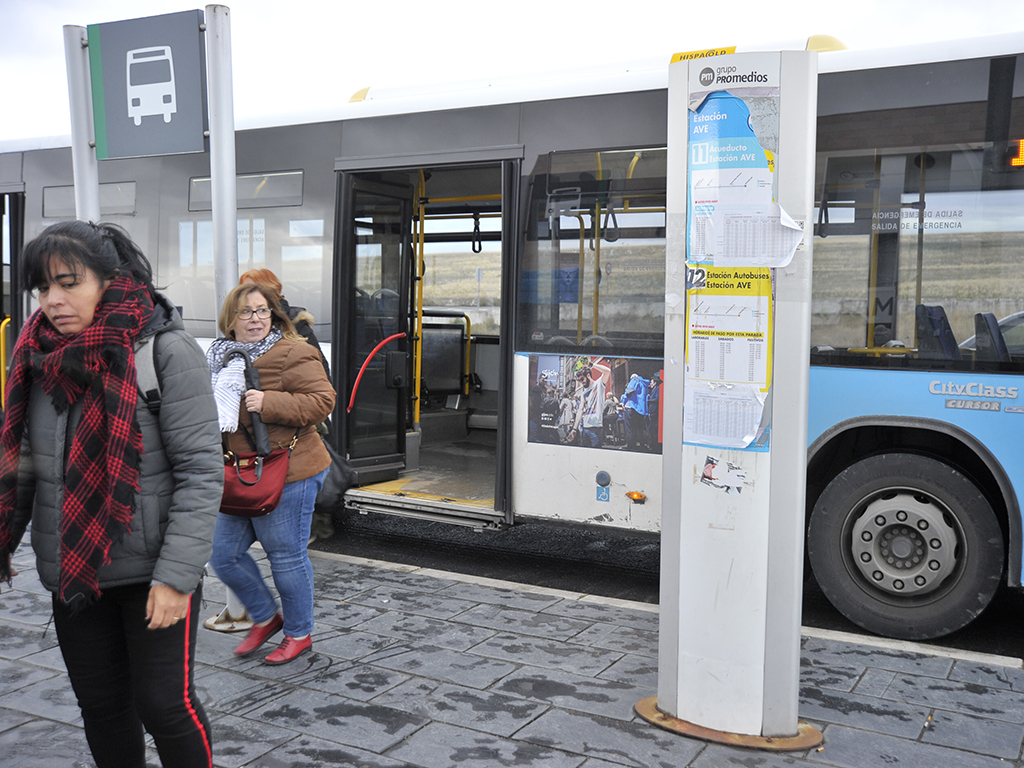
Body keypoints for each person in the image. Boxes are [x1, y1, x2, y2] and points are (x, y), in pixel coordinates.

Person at [0, 221, 222, 768]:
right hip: (74, 573)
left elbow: (201, 472)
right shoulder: (35, 356)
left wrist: (176, 578)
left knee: (164, 706)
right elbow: (23, 466)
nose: (53, 300)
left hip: (152, 572)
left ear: (109, 279)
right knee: (101, 708)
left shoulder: (166, 352)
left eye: (69, 282)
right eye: (42, 288)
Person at [207, 282, 335, 664]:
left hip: (289, 469)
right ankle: (266, 616)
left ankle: (299, 633)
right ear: (230, 318)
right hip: (243, 473)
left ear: (274, 314)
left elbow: (323, 401)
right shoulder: (220, 356)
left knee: (285, 556)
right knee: (222, 554)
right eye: (245, 312)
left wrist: (269, 402)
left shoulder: (294, 351)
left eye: (263, 311)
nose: (255, 319)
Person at [238, 268, 329, 378]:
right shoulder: (239, 320)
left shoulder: (295, 322)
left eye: (253, 289)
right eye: (243, 290)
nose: (247, 294)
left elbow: (319, 367)